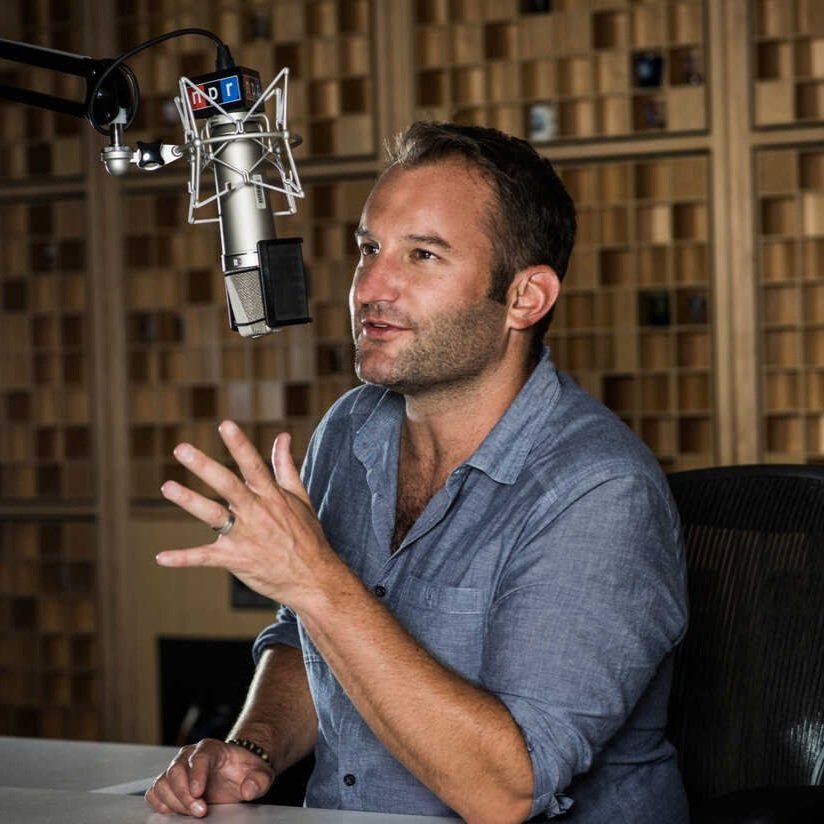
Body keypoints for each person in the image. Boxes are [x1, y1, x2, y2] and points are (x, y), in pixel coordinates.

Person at [145, 121, 689, 823]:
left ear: (526, 298)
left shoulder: (599, 493)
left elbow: (507, 791)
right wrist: (253, 747)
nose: (371, 285)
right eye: (368, 249)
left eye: (423, 254)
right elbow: (307, 636)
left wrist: (314, 576)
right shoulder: (351, 428)